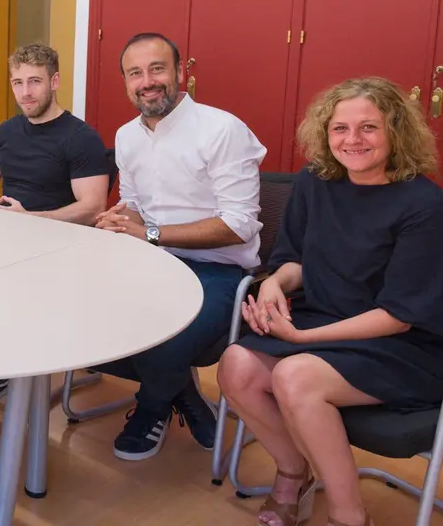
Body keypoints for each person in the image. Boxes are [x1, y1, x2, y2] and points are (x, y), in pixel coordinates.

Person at [218, 77, 443, 526]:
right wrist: (274, 284)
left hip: (402, 345)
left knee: (295, 377)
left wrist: (304, 337)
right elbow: (296, 259)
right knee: (234, 366)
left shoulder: (425, 204)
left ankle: (349, 514)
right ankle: (293, 471)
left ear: (396, 131)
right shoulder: (314, 181)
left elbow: (399, 315)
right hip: (323, 319)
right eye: (340, 128)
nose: (352, 139)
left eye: (368, 127)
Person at [93, 32, 266, 461]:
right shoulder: (127, 136)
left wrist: (151, 234)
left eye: (157, 69)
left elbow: (239, 225)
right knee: (85, 321)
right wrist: (119, 219)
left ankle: (152, 406)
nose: (147, 81)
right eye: (135, 73)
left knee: (163, 344)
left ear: (180, 73)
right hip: (153, 262)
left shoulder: (222, 129)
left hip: (219, 269)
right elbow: (133, 204)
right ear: (125, 82)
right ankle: (184, 395)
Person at [0, 43, 113, 412]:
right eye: (18, 82)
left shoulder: (81, 138)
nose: (25, 92)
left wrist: (31, 220)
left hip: (58, 246)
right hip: (7, 234)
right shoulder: (8, 131)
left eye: (35, 82)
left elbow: (93, 207)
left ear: (54, 81)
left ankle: (1, 368)